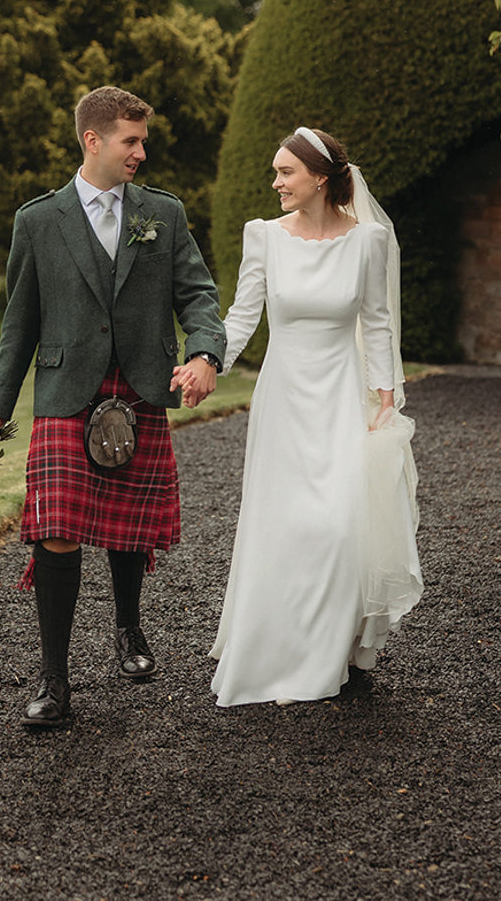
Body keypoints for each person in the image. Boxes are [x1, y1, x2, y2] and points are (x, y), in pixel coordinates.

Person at [0, 86, 225, 728]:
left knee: (128, 524)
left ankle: (128, 628)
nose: (141, 151)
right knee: (55, 527)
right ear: (93, 140)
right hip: (65, 392)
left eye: (142, 140)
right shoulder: (38, 220)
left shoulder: (163, 215)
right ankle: (53, 680)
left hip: (139, 386)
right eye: (130, 140)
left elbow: (198, 295)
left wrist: (205, 355)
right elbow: (18, 324)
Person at [209, 125, 422, 707]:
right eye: (276, 172)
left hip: (341, 397)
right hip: (283, 398)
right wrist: (208, 363)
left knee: (338, 524)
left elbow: (377, 322)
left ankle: (332, 652)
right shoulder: (264, 237)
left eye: (286, 172)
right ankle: (273, 648)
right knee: (284, 524)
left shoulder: (368, 242)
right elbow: (242, 316)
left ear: (320, 179)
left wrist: (385, 395)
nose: (275, 182)